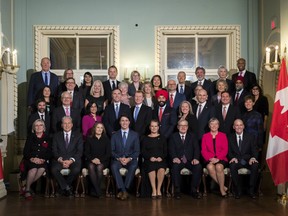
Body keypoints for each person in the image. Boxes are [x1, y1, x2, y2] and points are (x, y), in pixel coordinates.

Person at [169, 119, 202, 199]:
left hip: (190, 160)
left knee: (198, 167)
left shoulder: (192, 136)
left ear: (187, 127)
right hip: (178, 160)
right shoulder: (173, 136)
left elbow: (196, 149)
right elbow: (171, 149)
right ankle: (177, 191)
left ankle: (194, 190)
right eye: (181, 125)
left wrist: (196, 158)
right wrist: (174, 157)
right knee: (175, 167)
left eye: (185, 125)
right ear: (178, 127)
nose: (183, 127)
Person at [51, 116, 83, 197]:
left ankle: (62, 188)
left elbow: (79, 151)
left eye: (69, 123)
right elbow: (54, 150)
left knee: (76, 169)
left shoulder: (78, 135)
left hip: (73, 160)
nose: (67, 125)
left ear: (72, 125)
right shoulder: (56, 135)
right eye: (65, 123)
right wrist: (61, 160)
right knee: (54, 169)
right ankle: (67, 188)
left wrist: (71, 160)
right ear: (61, 125)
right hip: (60, 160)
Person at [110, 115, 140, 200]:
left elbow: (137, 151)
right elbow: (112, 151)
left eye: (126, 120)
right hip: (118, 159)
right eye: (122, 120)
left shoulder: (135, 135)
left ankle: (123, 190)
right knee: (113, 166)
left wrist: (129, 159)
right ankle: (124, 190)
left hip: (130, 159)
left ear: (129, 122)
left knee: (134, 166)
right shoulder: (114, 135)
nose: (124, 122)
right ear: (119, 122)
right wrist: (119, 158)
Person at [228, 119, 259, 199]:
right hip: (237, 160)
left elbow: (255, 150)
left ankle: (251, 190)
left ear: (243, 126)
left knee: (255, 165)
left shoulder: (250, 137)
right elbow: (228, 151)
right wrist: (233, 158)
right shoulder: (229, 137)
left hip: (248, 160)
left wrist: (253, 158)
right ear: (233, 127)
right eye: (237, 125)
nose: (239, 127)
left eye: (241, 125)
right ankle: (238, 190)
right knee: (232, 165)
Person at [21, 119, 52, 200]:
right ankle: (27, 190)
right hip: (30, 160)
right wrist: (32, 158)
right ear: (33, 128)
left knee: (41, 169)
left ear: (44, 127)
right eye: (36, 125)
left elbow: (49, 152)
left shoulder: (48, 138)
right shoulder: (30, 137)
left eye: (41, 125)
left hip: (42, 161)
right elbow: (26, 152)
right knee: (33, 169)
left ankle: (25, 187)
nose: (38, 127)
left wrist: (43, 159)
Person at [201, 118, 228, 197]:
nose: (214, 126)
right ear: (209, 126)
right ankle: (223, 188)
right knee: (209, 166)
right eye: (212, 124)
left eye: (216, 124)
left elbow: (225, 149)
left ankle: (221, 189)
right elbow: (203, 150)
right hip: (209, 158)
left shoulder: (223, 135)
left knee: (219, 166)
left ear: (218, 126)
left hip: (221, 158)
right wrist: (210, 158)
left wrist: (218, 159)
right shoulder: (205, 136)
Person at [141, 120, 167, 199]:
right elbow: (143, 151)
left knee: (161, 169)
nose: (154, 128)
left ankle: (158, 189)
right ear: (149, 127)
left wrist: (161, 157)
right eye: (152, 126)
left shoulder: (163, 138)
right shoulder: (145, 138)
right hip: (149, 160)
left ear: (158, 127)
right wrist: (149, 157)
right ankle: (154, 190)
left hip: (160, 160)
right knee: (151, 167)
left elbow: (165, 151)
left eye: (155, 126)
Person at [84, 122, 111, 198]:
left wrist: (100, 160)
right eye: (98, 127)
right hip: (91, 160)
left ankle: (94, 190)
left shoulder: (106, 139)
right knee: (91, 166)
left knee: (99, 167)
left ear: (103, 130)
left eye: (101, 128)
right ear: (94, 128)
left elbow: (108, 153)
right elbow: (86, 152)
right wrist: (92, 159)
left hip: (103, 161)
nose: (99, 129)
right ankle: (98, 191)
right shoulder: (89, 139)